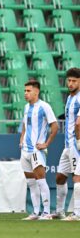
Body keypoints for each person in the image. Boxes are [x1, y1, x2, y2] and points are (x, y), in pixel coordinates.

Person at [19, 80, 58, 220]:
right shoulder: (26, 107)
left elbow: (55, 126)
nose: (25, 93)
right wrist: (21, 138)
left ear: (37, 91)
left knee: (41, 180)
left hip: (37, 150)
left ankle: (46, 212)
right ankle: (35, 212)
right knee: (31, 182)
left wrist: (46, 143)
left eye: (28, 91)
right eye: (25, 91)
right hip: (25, 151)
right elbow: (25, 124)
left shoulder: (44, 107)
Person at [53, 68, 80, 220]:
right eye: (69, 80)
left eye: (74, 81)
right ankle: (59, 211)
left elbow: (78, 123)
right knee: (60, 177)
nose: (70, 84)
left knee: (77, 178)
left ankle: (77, 213)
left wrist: (79, 140)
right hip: (68, 145)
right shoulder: (70, 98)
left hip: (76, 145)